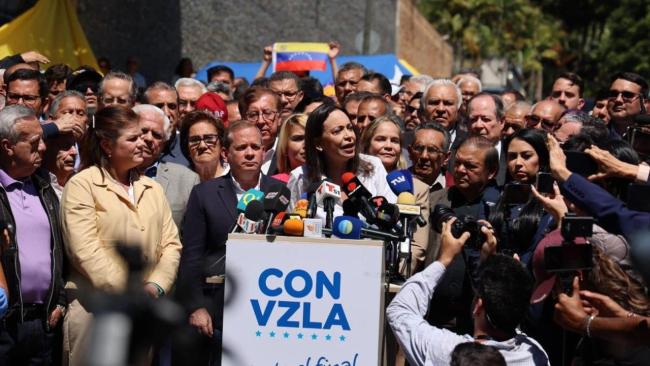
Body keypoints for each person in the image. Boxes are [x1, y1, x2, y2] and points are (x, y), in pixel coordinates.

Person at [60, 106, 182, 365]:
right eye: (133, 138)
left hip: (144, 313)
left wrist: (155, 287)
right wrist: (132, 294)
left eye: (143, 136)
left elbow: (171, 246)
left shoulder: (153, 188)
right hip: (95, 311)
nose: (144, 142)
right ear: (106, 144)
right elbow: (85, 251)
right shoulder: (82, 185)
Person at [177, 120, 283, 365]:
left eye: (255, 147)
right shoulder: (204, 194)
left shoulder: (280, 191)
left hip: (267, 308)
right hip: (217, 308)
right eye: (241, 147)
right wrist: (196, 307)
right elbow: (192, 257)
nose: (249, 153)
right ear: (226, 153)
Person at [387, 218, 549, 366]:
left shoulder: (447, 352)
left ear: (478, 306)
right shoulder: (534, 355)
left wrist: (444, 259)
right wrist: (497, 268)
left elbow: (399, 310)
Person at [0, 105, 67, 365]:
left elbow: (61, 250)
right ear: (7, 146)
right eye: (34, 142)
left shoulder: (44, 189)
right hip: (5, 326)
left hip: (43, 322)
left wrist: (59, 301)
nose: (43, 148)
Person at [287, 103, 396, 216]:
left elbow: (392, 215)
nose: (348, 136)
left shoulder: (373, 165)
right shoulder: (300, 178)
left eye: (349, 128)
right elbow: (291, 225)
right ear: (318, 143)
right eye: (337, 131)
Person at [488, 128, 550, 264]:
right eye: (512, 157)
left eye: (526, 156)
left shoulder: (551, 202)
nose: (518, 163)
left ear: (542, 158)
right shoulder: (497, 195)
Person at [134, 104, 199, 229]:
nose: (148, 138)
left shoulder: (187, 179)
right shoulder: (106, 173)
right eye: (143, 131)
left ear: (164, 143)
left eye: (156, 135)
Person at [467, 93, 507, 186]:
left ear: (501, 122)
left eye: (485, 119)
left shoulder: (512, 155)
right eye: (473, 119)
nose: (478, 125)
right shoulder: (453, 156)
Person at [239, 87, 281, 175]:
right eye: (253, 115)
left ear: (279, 118)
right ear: (243, 119)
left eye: (267, 113)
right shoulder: (233, 156)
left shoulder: (288, 154)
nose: (261, 121)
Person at [179, 110, 228, 182]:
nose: (202, 146)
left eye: (209, 138)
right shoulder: (180, 181)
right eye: (195, 140)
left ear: (221, 143)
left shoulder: (236, 179)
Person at [408, 122, 451, 190]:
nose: (424, 156)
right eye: (419, 148)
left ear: (446, 157)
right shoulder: (394, 184)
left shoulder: (456, 187)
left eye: (432, 150)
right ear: (410, 152)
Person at [607, 72, 648, 139]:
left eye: (627, 95)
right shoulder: (592, 136)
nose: (618, 100)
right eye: (614, 94)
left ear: (644, 103)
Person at [273, 113, 307, 183]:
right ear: (285, 147)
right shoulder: (270, 184)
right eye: (298, 139)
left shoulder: (330, 178)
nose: (306, 144)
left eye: (310, 138)